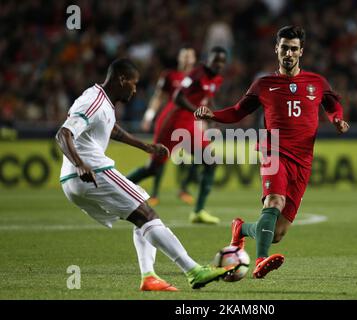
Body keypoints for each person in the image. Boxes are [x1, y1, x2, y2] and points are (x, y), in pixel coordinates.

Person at [56, 58, 234, 291]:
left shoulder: (103, 101)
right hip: (91, 171)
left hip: (74, 181)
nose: (135, 89)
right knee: (147, 213)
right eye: (133, 83)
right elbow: (63, 133)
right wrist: (80, 164)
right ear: (121, 79)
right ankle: (193, 270)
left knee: (141, 216)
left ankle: (149, 277)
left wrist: (146, 147)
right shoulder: (94, 101)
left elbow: (113, 131)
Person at [194, 26, 350, 278]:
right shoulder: (264, 84)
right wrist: (213, 114)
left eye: (294, 48)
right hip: (272, 150)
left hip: (302, 161)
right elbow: (238, 111)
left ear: (301, 52)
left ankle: (241, 229)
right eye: (284, 47)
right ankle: (260, 260)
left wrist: (337, 120)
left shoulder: (317, 83)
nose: (289, 53)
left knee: (277, 233)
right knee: (274, 201)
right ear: (276, 49)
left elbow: (333, 105)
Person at [132, 46, 228, 225]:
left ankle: (198, 212)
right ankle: (116, 188)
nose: (219, 65)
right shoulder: (196, 74)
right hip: (172, 122)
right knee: (152, 168)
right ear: (207, 59)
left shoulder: (217, 78)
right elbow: (177, 97)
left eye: (222, 62)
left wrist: (214, 116)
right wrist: (198, 111)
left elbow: (208, 98)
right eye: (216, 60)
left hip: (190, 124)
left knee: (211, 160)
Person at [128, 47, 199, 207]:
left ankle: (184, 188)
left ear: (194, 59)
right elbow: (158, 96)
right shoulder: (169, 75)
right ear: (179, 58)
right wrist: (149, 116)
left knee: (205, 155)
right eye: (184, 56)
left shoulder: (198, 77)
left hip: (190, 122)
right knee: (157, 160)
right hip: (170, 122)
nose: (187, 59)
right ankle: (150, 192)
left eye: (190, 56)